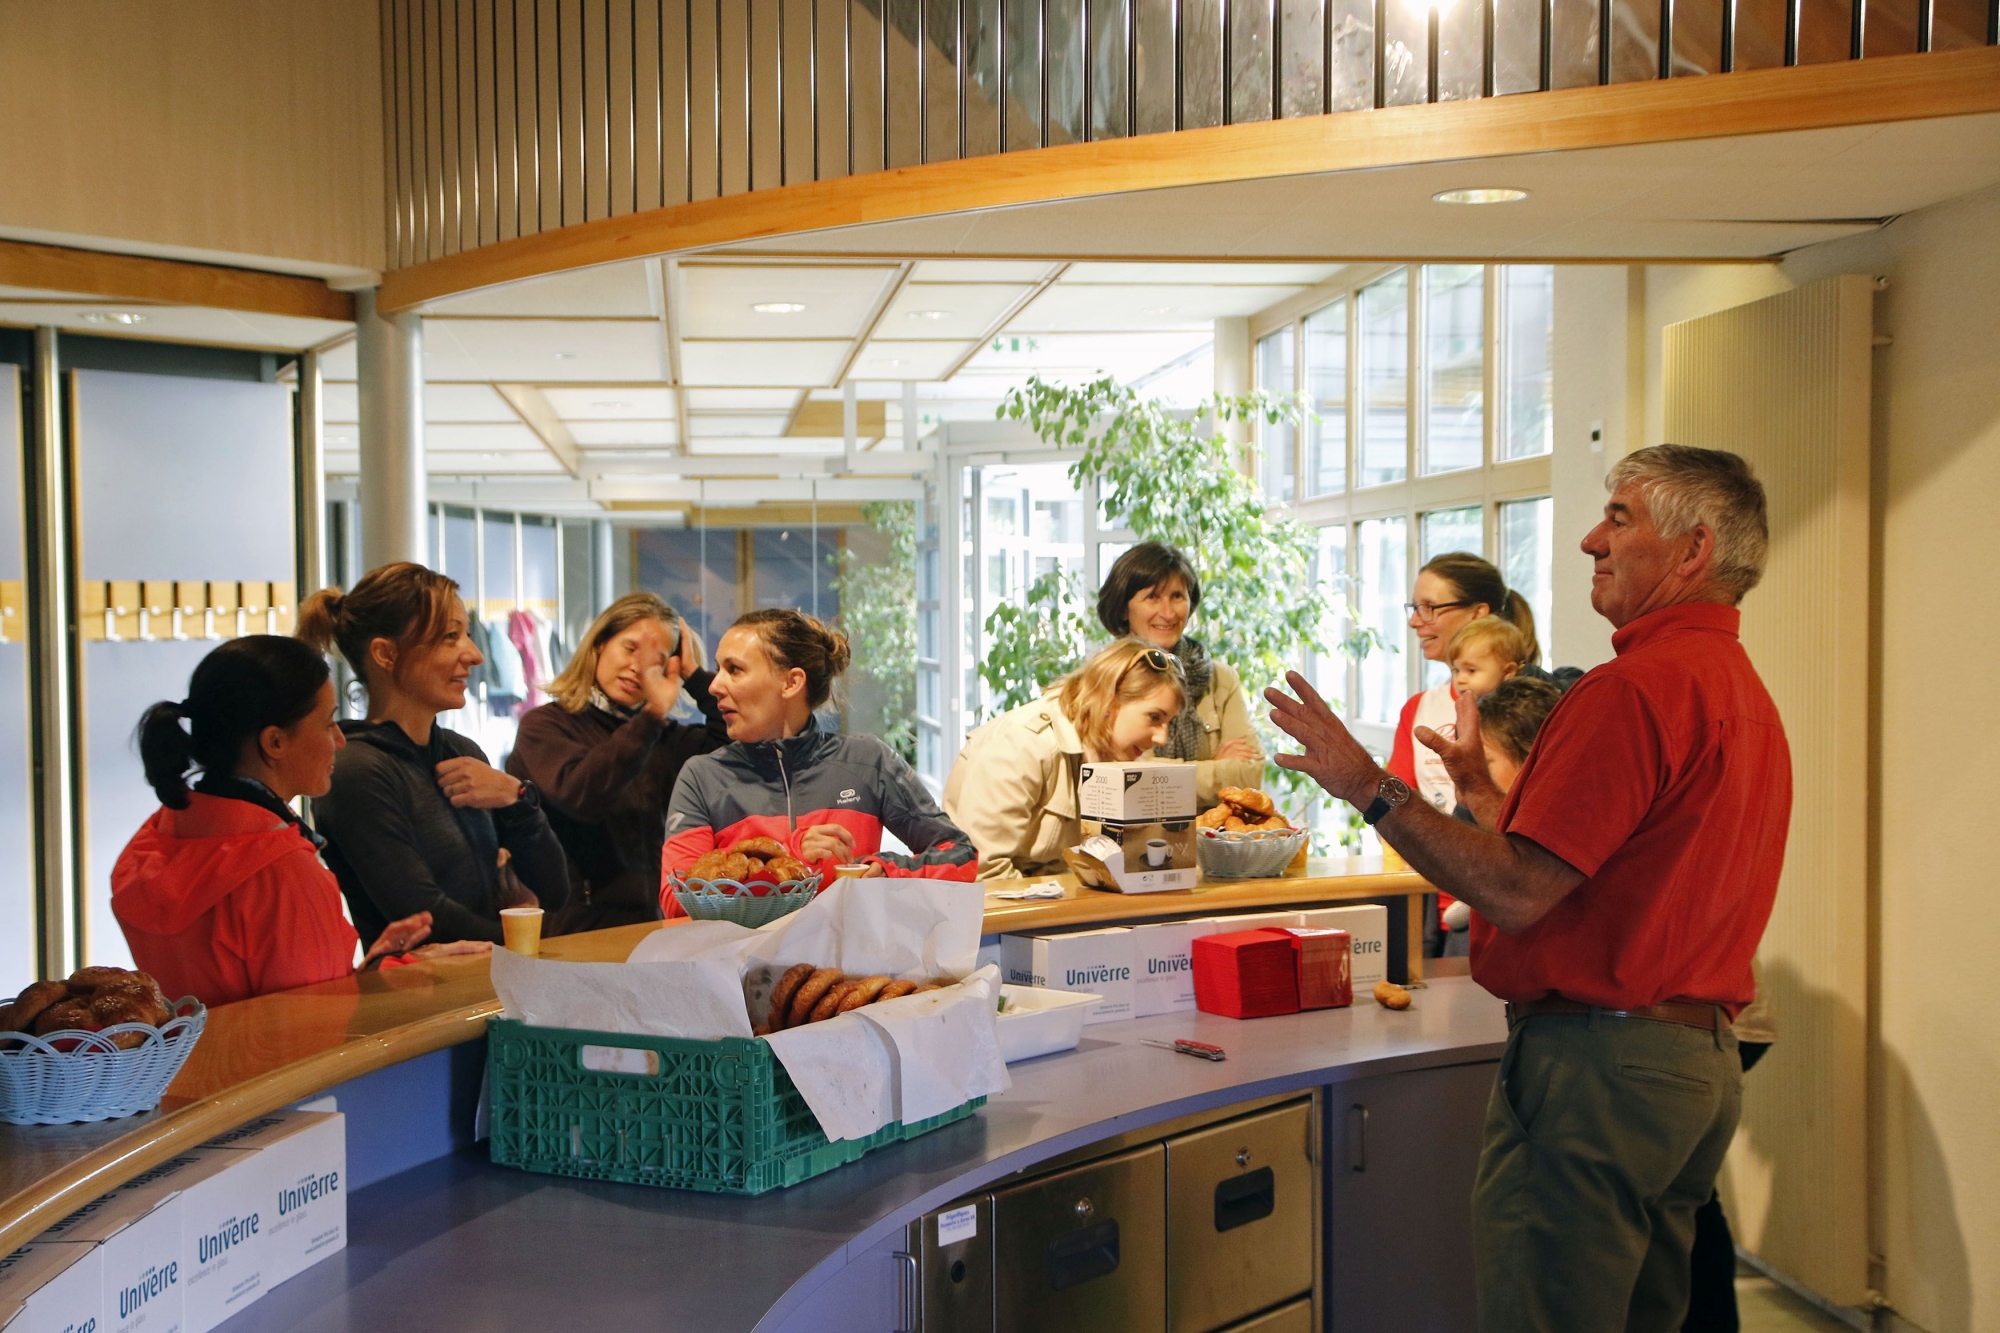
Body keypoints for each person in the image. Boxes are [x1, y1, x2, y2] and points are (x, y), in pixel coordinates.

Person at [1264, 444, 1791, 1332]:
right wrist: (1478, 793)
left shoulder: (1633, 691)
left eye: (1620, 519)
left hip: (1600, 1071)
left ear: (1694, 550)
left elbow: (1516, 893)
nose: (1591, 538)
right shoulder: (1738, 689)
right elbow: (1618, 872)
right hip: (1692, 1063)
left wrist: (1366, 785)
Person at [110, 636, 483, 1009]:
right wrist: (395, 976)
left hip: (183, 1066)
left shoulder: (153, 840)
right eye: (327, 723)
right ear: (274, 742)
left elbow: (246, 1001)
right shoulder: (282, 871)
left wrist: (367, 972)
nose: (339, 740)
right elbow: (314, 1035)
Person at [300, 562, 569, 948]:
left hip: (489, 987)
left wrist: (518, 797)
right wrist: (524, 946)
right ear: (385, 654)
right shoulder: (356, 771)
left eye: (468, 634)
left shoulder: (463, 752)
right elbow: (424, 915)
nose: (475, 655)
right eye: (450, 636)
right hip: (421, 999)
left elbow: (554, 893)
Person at [661, 608, 977, 906]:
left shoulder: (867, 760)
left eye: (734, 670)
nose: (715, 685)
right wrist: (786, 863)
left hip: (848, 963)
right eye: (718, 669)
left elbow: (961, 854)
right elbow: (676, 898)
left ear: (792, 682)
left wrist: (886, 872)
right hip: (740, 964)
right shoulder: (701, 776)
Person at [507, 593, 728, 934]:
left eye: (656, 660)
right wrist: (652, 715)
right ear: (599, 645)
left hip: (652, 925)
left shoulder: (664, 736)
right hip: (572, 931)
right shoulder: (546, 725)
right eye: (629, 649)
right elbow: (583, 794)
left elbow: (731, 742)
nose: (638, 668)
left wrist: (695, 675)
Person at [944, 638, 1188, 880]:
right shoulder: (1023, 745)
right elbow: (983, 872)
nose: (1162, 738)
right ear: (1108, 700)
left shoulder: (1106, 752)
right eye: (1154, 717)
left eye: (1169, 723)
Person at [1095, 542, 1261, 807]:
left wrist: (1168, 775)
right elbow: (1127, 781)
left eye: (1177, 596)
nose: (1168, 613)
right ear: (1123, 609)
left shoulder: (1220, 679)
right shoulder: (1104, 680)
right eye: (1152, 597)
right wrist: (1214, 768)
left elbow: (1250, 775)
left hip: (1210, 841)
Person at [1439, 675, 1563, 955]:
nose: (1464, 771)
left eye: (1483, 760)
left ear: (1535, 759)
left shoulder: (1565, 836)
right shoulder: (1466, 816)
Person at [1447, 615, 1536, 702]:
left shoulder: (1518, 711)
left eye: (1471, 670)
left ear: (1508, 672)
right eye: (1456, 670)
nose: (1460, 679)